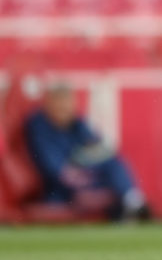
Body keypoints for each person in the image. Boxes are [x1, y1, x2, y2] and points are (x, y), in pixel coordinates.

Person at [23, 83, 149, 220]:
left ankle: (133, 201)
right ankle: (130, 204)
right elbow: (52, 167)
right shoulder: (39, 126)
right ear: (48, 104)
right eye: (59, 104)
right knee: (101, 177)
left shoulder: (77, 123)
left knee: (113, 162)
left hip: (84, 175)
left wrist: (88, 173)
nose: (63, 109)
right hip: (59, 188)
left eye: (67, 104)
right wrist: (80, 181)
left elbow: (98, 148)